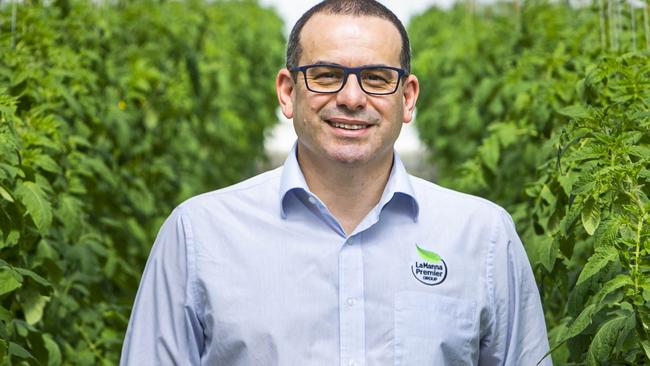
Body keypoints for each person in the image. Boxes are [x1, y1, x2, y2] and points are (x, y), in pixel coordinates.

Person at [120, 0, 552, 365]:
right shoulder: (199, 235)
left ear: (408, 98)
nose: (351, 97)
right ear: (288, 92)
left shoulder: (482, 237)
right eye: (326, 75)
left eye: (377, 78)